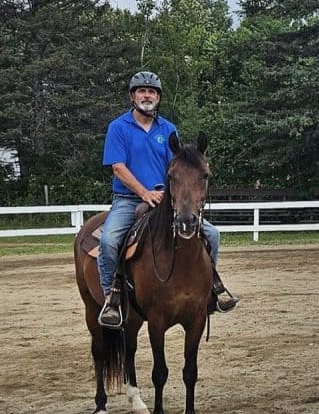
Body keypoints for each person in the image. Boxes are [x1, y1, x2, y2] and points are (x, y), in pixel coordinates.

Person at [97, 71, 238, 328]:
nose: (147, 95)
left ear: (158, 97)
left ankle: (212, 286)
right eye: (141, 91)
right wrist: (144, 192)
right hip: (129, 199)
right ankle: (112, 297)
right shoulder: (118, 128)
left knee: (213, 235)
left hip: (165, 199)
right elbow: (118, 167)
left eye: (152, 92)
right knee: (108, 242)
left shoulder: (168, 129)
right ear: (132, 96)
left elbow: (178, 167)